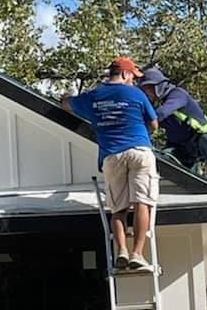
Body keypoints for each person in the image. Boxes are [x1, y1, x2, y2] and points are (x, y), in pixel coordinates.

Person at [61, 57, 158, 269]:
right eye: (132, 76)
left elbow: (67, 105)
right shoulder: (135, 93)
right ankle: (137, 254)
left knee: (118, 208)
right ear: (124, 74)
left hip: (112, 155)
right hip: (140, 150)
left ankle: (122, 250)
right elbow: (154, 123)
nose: (133, 81)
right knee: (143, 203)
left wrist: (65, 98)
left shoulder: (93, 96)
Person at [138, 66, 207, 190]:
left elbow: (162, 113)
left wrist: (145, 123)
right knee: (163, 158)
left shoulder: (178, 94)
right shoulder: (155, 104)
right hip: (180, 146)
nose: (146, 94)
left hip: (198, 138)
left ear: (158, 86)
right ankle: (188, 187)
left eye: (147, 89)